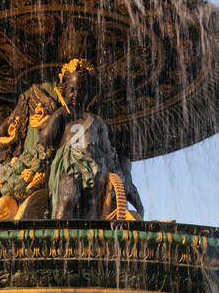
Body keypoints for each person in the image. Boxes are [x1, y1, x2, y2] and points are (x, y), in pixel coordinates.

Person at [36, 58, 143, 221]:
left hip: (95, 170)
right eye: (72, 90)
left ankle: (89, 244)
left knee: (92, 209)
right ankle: (59, 239)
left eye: (82, 91)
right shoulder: (64, 116)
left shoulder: (96, 120)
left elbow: (107, 150)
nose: (76, 95)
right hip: (68, 168)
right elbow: (44, 138)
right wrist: (57, 114)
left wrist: (119, 178)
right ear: (63, 90)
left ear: (89, 94)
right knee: (67, 198)